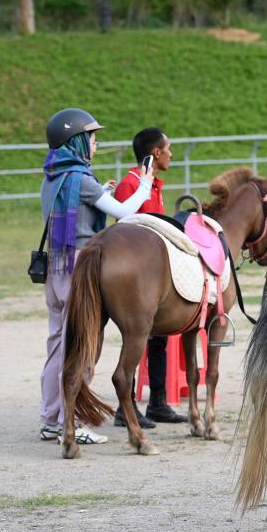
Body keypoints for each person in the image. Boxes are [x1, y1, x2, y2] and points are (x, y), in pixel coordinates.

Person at [38, 108, 155, 444]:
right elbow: (125, 211)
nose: (95, 143)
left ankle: (50, 419)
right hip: (80, 267)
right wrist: (145, 184)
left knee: (57, 345)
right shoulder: (81, 179)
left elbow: (71, 207)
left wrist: (99, 190)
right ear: (75, 140)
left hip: (55, 266)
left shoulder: (53, 175)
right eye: (91, 138)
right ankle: (73, 421)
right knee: (82, 346)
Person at [111, 127, 189, 428]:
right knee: (135, 337)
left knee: (159, 339)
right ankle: (125, 406)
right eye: (168, 148)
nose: (171, 153)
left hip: (156, 273)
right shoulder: (130, 185)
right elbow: (123, 232)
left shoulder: (153, 184)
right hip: (137, 277)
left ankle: (158, 403)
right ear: (156, 152)